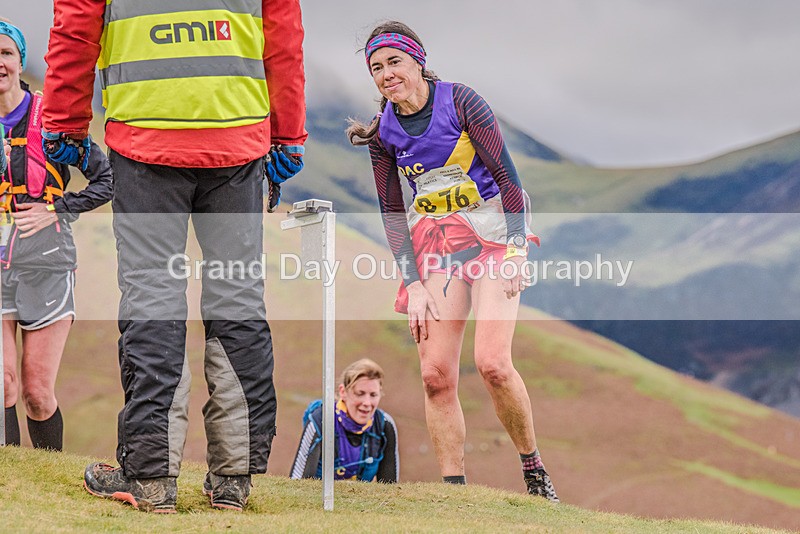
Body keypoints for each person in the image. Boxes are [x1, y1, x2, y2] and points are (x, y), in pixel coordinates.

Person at [41, 0, 307, 512]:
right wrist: (288, 134)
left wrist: (66, 125)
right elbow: (283, 41)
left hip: (145, 143)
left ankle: (150, 479)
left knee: (153, 299)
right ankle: (233, 479)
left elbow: (75, 32)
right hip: (238, 142)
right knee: (237, 300)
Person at [346, 21, 559, 502]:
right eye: (376, 69)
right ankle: (454, 495)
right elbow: (392, 211)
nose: (386, 74)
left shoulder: (462, 101)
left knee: (492, 364)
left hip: (491, 235)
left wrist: (517, 250)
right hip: (436, 244)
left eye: (393, 62)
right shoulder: (384, 133)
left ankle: (534, 471)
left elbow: (508, 179)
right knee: (435, 375)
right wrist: (413, 283)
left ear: (417, 60)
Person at [0, 19, 112, 451]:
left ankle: (47, 473)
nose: (0, 63)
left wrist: (56, 209)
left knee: (36, 394)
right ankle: (11, 484)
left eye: (6, 53)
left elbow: (107, 181)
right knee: (3, 384)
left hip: (46, 262)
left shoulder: (52, 118)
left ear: (20, 61)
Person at [290, 359, 399, 483]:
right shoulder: (320, 420)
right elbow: (297, 482)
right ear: (343, 392)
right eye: (360, 393)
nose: (367, 403)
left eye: (373, 395)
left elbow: (390, 488)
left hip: (359, 501)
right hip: (319, 500)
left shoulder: (385, 425)